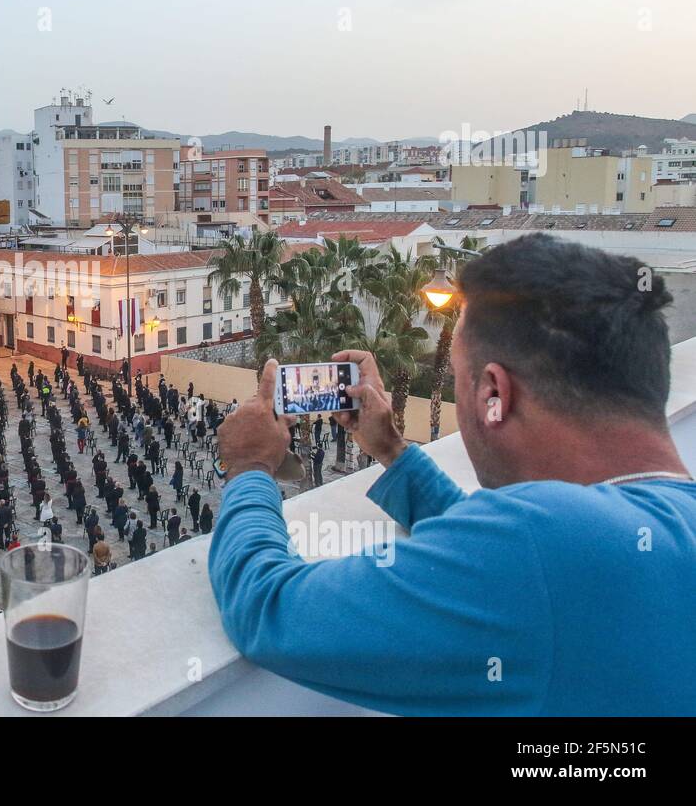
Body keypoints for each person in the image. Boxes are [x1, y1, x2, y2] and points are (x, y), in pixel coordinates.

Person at [209, 234, 696, 716]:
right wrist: (391, 450)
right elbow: (513, 554)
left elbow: (269, 609)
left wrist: (250, 465)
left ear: (494, 394)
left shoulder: (535, 548)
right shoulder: (656, 524)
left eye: (459, 381)